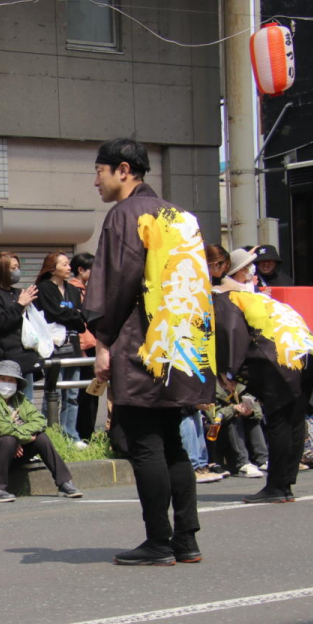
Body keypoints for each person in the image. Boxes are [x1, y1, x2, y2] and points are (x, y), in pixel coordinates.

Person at [83, 138, 215, 566]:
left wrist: (102, 336)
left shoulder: (125, 213)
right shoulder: (180, 216)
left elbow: (117, 281)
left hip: (143, 342)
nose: (96, 181)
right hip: (182, 344)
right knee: (173, 441)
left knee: (144, 442)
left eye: (99, 172)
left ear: (124, 170)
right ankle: (187, 539)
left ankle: (159, 539)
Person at [214, 265, 313, 503]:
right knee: (294, 421)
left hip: (281, 359)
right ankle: (285, 485)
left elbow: (230, 334)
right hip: (307, 354)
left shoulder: (226, 300)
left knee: (279, 422)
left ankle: (276, 486)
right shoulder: (262, 301)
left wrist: (228, 372)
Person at [0, 360, 82, 502]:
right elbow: (5, 428)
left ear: (17, 383)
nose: (7, 383)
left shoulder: (19, 398)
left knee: (41, 438)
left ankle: (64, 483)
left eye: (11, 380)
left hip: (14, 451)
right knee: (8, 440)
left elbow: (40, 421)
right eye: (3, 379)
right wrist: (23, 437)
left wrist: (20, 438)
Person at [35, 252, 86, 445]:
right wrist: (73, 314)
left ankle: (71, 435)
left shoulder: (73, 290)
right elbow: (53, 313)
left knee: (72, 393)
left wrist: (70, 314)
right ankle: (50, 434)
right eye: (64, 264)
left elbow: (81, 318)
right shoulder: (44, 288)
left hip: (73, 344)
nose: (69, 268)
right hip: (53, 346)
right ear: (52, 267)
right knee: (53, 391)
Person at [0, 250, 41, 400]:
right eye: (13, 268)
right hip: (5, 356)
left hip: (25, 354)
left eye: (18, 267)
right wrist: (20, 305)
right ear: (1, 270)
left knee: (27, 401)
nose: (17, 271)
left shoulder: (17, 293)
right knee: (8, 399)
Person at [68, 252, 99, 441]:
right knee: (82, 394)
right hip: (83, 348)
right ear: (81, 270)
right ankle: (80, 434)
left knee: (94, 391)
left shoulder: (88, 290)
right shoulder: (73, 291)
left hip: (94, 346)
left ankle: (89, 432)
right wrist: (81, 349)